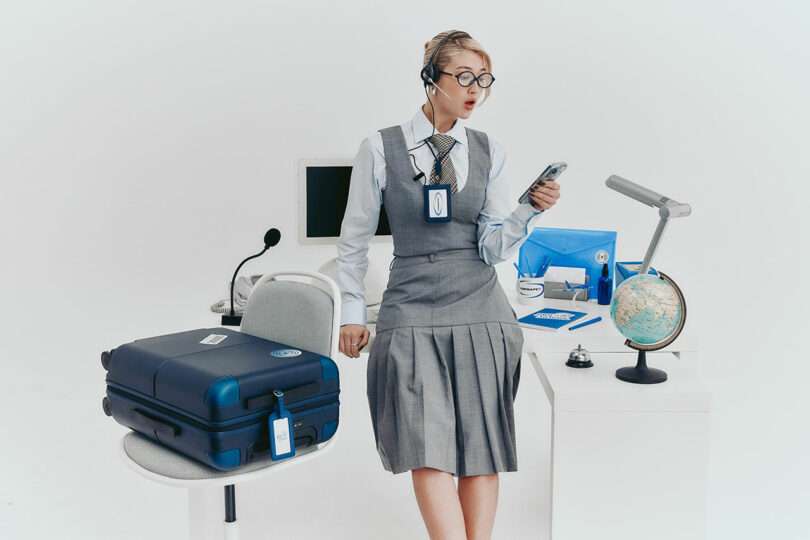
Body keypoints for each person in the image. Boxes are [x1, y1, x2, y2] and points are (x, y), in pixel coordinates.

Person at [335, 29, 561, 540]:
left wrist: (528, 210)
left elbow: (492, 248)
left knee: (483, 445)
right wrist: (352, 313)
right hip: (410, 304)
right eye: (463, 77)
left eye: (483, 79)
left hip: (481, 304)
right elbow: (354, 240)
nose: (474, 89)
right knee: (424, 443)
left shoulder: (488, 150)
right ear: (430, 79)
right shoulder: (380, 148)